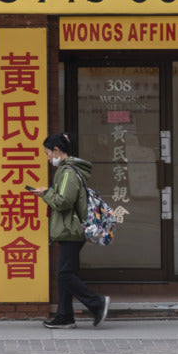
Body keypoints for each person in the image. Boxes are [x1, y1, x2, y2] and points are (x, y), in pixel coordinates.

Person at [27, 131, 110, 329]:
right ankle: (65, 316)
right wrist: (48, 192)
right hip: (70, 229)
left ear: (57, 150)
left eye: (47, 154)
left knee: (64, 274)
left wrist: (45, 193)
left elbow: (64, 201)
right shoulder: (68, 171)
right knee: (63, 273)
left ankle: (97, 303)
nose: (48, 158)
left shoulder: (68, 172)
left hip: (71, 229)